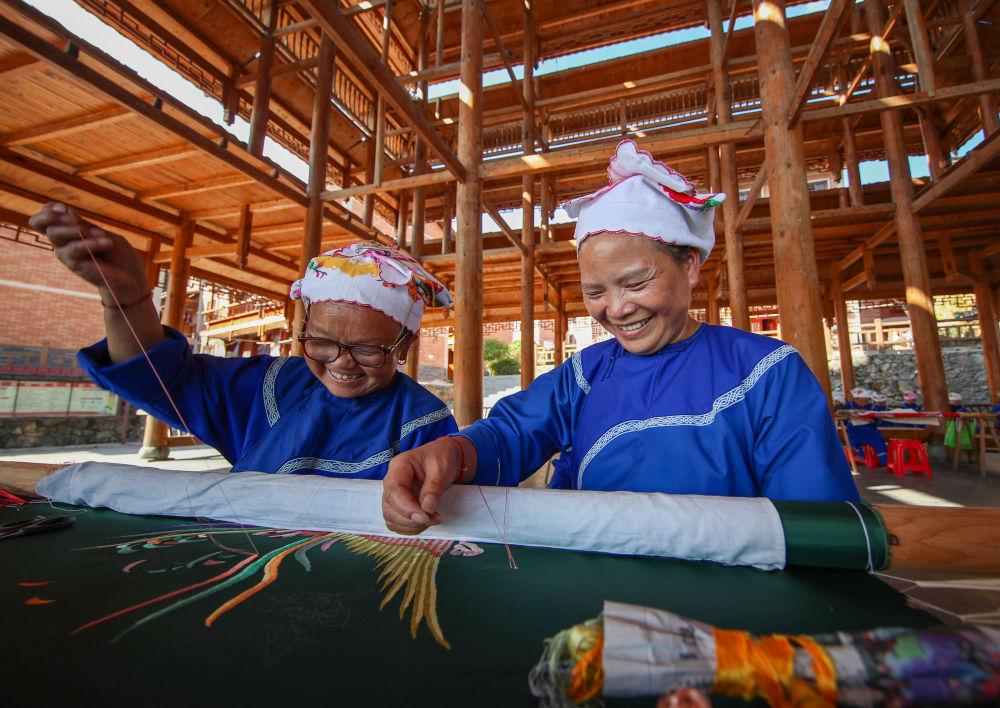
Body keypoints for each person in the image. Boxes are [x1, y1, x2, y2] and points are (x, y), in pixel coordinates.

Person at [382, 140, 859, 534]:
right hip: (597, 588)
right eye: (595, 292)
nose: (616, 309)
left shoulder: (768, 373)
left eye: (635, 283)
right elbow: (511, 434)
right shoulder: (585, 375)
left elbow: (816, 525)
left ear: (690, 265)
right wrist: (448, 454)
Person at [28, 203, 457, 477]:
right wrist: (128, 299)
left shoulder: (425, 423)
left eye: (367, 349)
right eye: (321, 343)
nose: (341, 363)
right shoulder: (267, 386)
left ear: (404, 346)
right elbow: (158, 378)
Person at [843, 387, 888, 465]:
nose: (863, 403)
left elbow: (878, 418)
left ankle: (882, 459)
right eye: (861, 401)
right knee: (852, 437)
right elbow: (843, 417)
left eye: (866, 401)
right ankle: (859, 454)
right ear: (855, 400)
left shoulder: (872, 407)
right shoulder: (849, 405)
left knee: (879, 438)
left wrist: (873, 419)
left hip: (870, 430)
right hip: (855, 430)